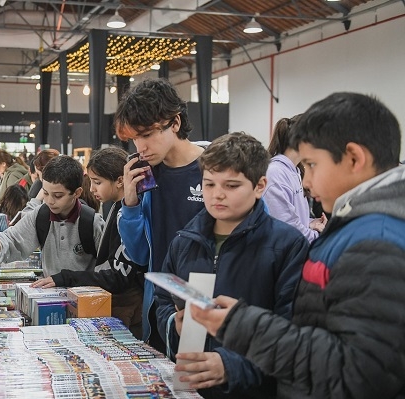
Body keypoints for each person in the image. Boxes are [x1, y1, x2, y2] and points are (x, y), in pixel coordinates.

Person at [188, 92, 405, 399]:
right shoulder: (357, 226)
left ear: (355, 158)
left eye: (312, 165)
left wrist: (244, 326)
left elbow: (357, 373)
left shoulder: (377, 241)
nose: (305, 182)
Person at [156, 132, 309, 398]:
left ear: (260, 186)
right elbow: (163, 298)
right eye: (209, 184)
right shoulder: (185, 241)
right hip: (194, 385)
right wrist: (174, 323)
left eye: (231, 185)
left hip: (254, 388)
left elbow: (292, 331)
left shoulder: (287, 245)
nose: (218, 195)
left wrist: (233, 366)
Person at [116, 78, 206, 351]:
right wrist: (129, 204)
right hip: (159, 305)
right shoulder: (146, 176)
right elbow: (140, 255)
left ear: (175, 123)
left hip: (203, 301)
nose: (139, 147)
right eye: (134, 138)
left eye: (146, 134)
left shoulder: (215, 167)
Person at [31, 147, 146, 339]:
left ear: (120, 181)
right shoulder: (117, 208)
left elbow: (118, 277)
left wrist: (67, 278)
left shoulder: (128, 213)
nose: (91, 189)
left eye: (97, 182)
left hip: (127, 311)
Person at [0, 155, 105, 277]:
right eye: (45, 193)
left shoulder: (92, 222)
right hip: (51, 295)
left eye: (58, 196)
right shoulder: (40, 216)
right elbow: (12, 239)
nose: (50, 201)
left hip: (87, 296)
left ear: (77, 193)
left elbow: (107, 272)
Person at [263, 115, 326, 242]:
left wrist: (311, 223)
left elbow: (293, 218)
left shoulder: (295, 170)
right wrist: (319, 237)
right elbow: (286, 228)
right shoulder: (275, 173)